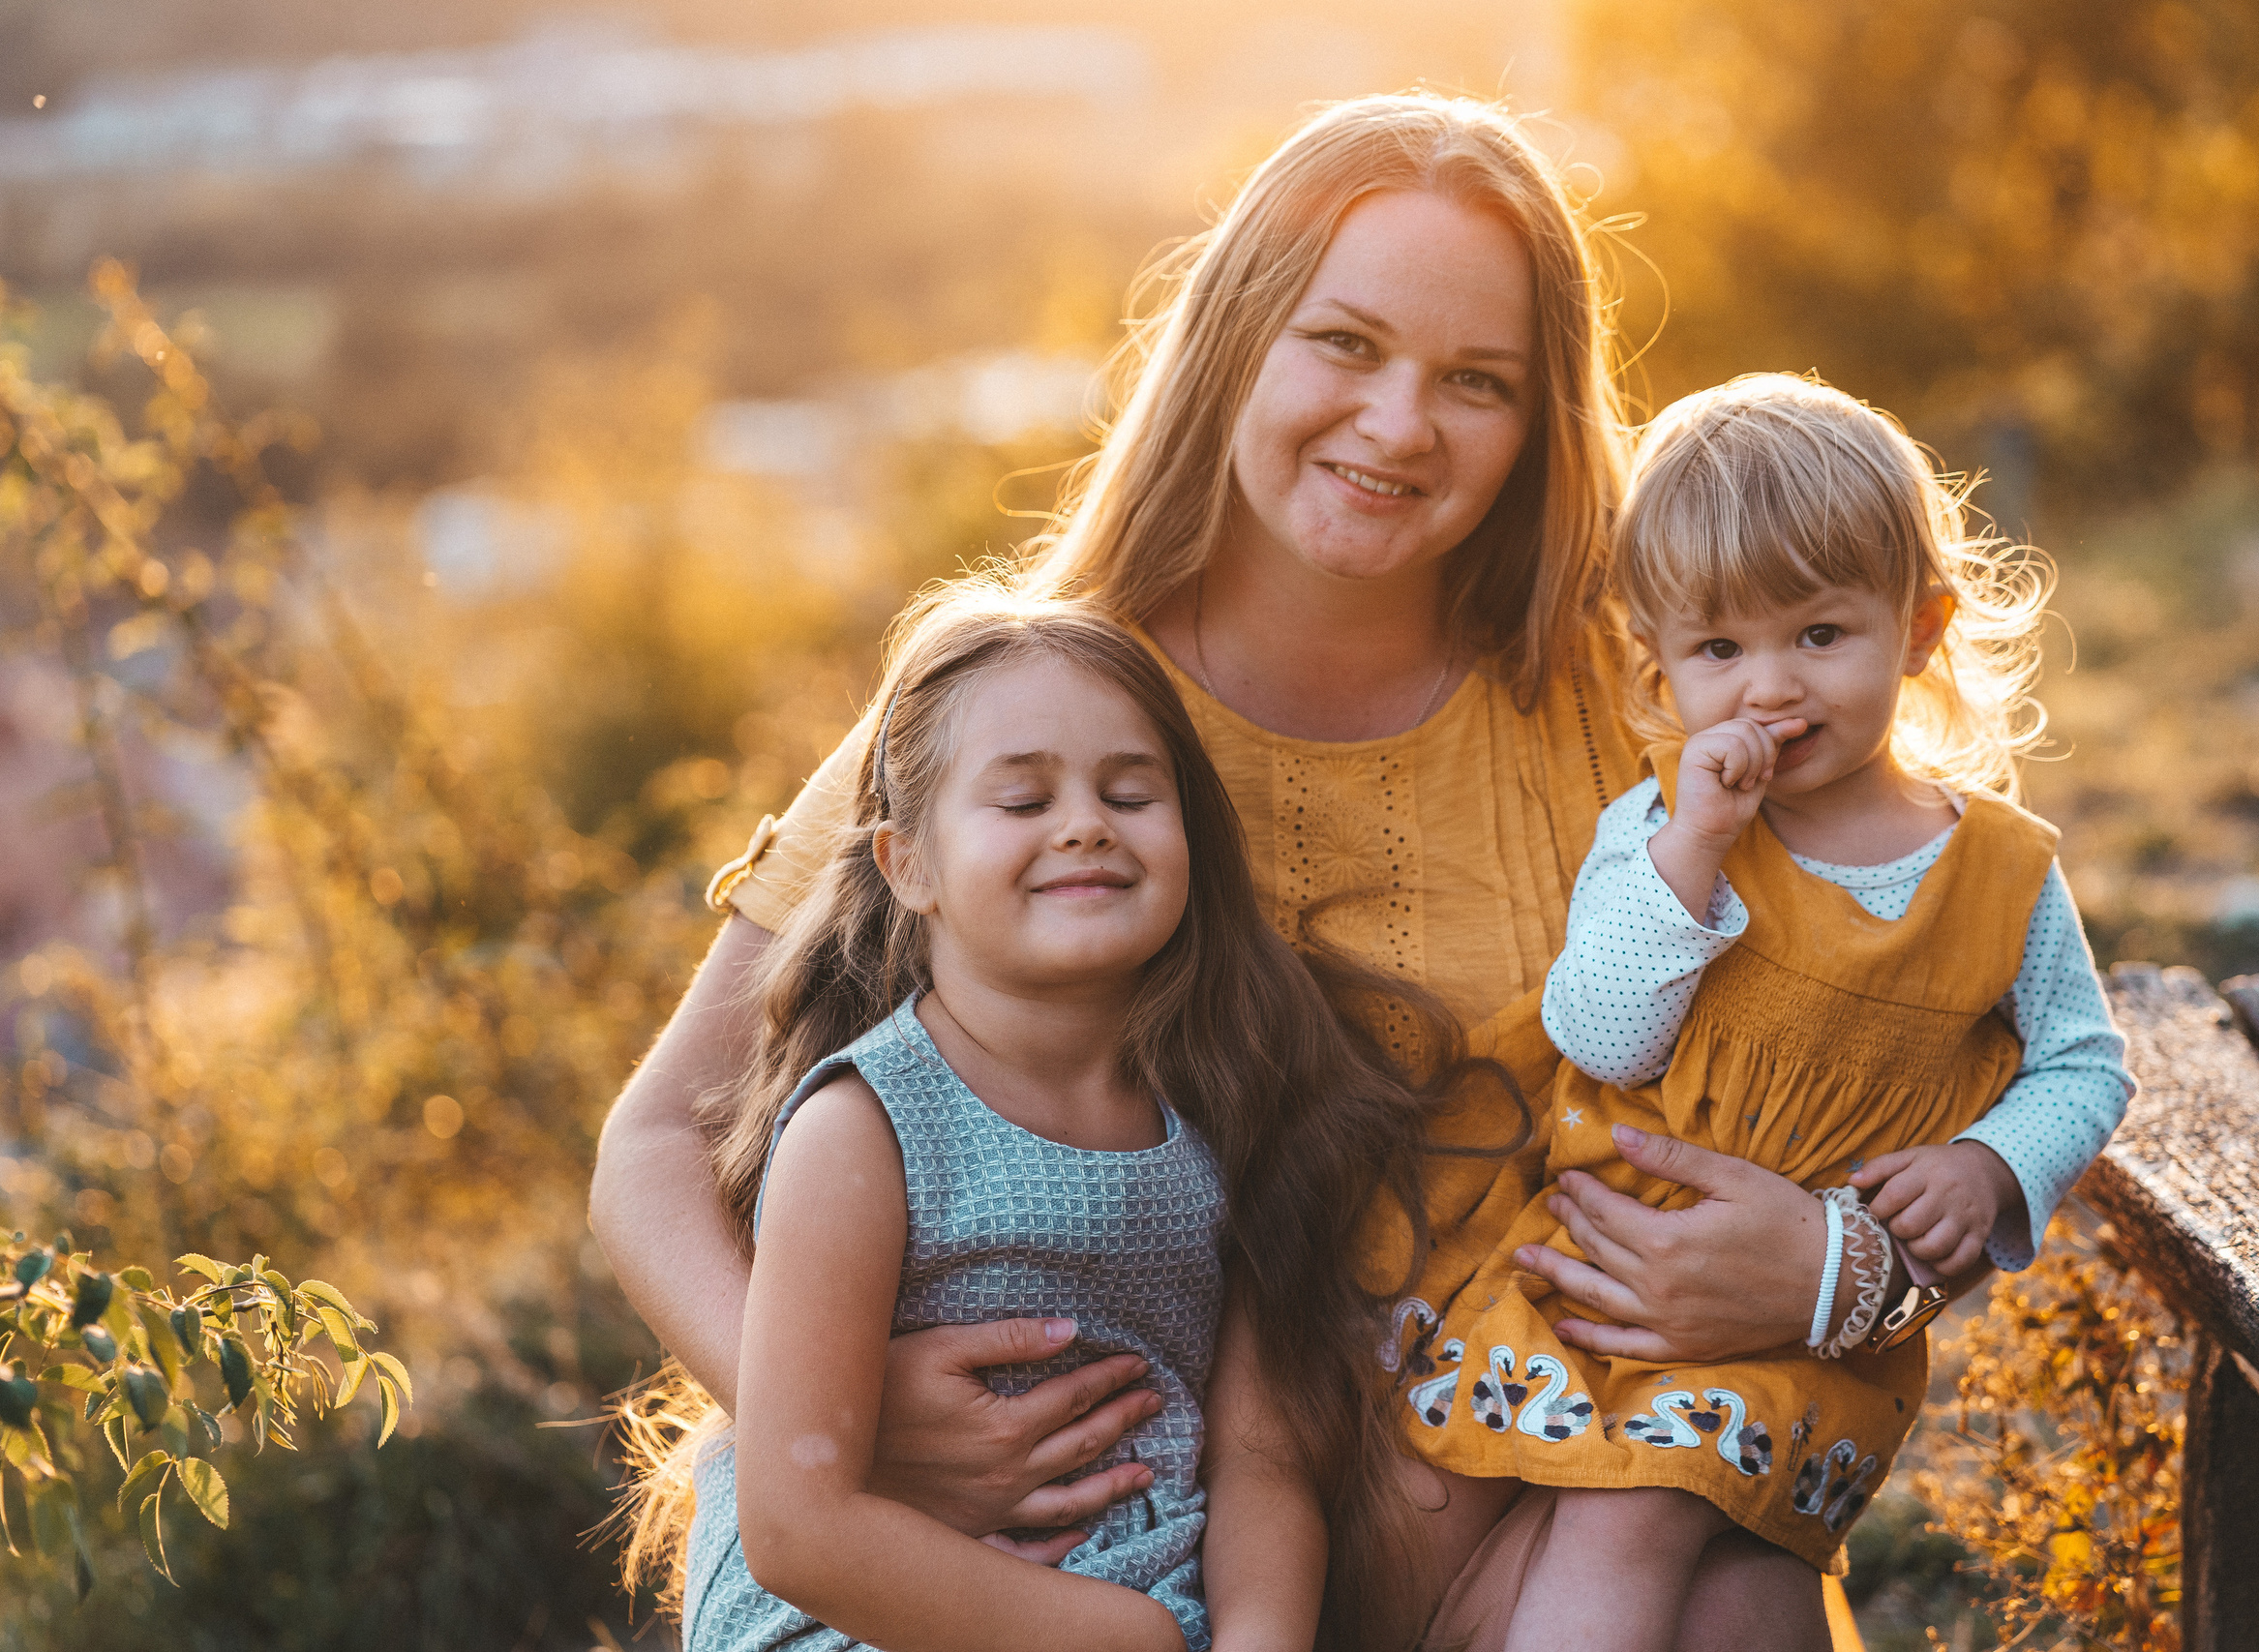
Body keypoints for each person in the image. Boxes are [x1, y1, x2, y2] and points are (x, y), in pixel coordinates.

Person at [589, 94, 2096, 1644]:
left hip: (1556, 1496)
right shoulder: (1031, 721)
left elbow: (1925, 1002)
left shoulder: (1641, 690)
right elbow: (653, 1145)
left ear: (1539, 421)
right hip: (1126, 1535)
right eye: (1345, 343)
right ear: (1238, 334)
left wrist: (1840, 1272)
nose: (1398, 425)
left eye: (1477, 381)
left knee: (1748, 1605)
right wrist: (835, 1411)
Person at [1390, 374, 2133, 1650]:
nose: (1770, 687)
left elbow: (2083, 1062)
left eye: (1820, 634)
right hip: (1590, 1281)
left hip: (1806, 1319)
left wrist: (1992, 1161)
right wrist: (1699, 845)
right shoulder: (1664, 828)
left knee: (1637, 1516)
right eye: (1720, 649)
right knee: (1490, 1510)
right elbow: (1605, 1031)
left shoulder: (1997, 867)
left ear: (1919, 626)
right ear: (1659, 664)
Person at [651, 587, 1484, 1651]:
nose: (1085, 823)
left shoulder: (1230, 1109)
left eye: (1130, 793)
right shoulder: (864, 1129)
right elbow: (797, 1529)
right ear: (908, 865)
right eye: (1023, 800)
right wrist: (1113, 1636)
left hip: (1161, 1603)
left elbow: (1262, 1459)